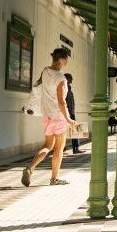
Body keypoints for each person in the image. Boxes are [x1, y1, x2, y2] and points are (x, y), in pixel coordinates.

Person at [22, 48, 77, 186]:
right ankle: (54, 179)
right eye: (66, 60)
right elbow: (61, 101)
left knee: (47, 145)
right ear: (63, 60)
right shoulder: (61, 79)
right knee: (59, 148)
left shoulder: (45, 71)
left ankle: (30, 168)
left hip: (47, 115)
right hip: (58, 117)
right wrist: (69, 119)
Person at [64, 73, 82, 154]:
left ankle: (76, 148)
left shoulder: (68, 88)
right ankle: (63, 149)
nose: (72, 80)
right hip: (67, 113)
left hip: (71, 112)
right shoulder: (64, 88)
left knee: (74, 130)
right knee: (64, 130)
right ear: (67, 79)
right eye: (71, 78)